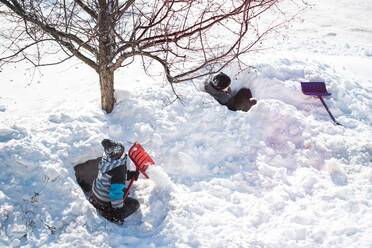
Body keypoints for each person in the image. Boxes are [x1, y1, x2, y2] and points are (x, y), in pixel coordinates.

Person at [89, 139, 140, 225]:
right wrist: (118, 208)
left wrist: (129, 175)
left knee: (121, 190)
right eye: (123, 153)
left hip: (97, 191)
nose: (125, 154)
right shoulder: (118, 170)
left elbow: (112, 177)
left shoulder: (107, 161)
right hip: (105, 198)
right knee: (134, 204)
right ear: (118, 156)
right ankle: (110, 213)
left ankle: (96, 201)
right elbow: (115, 192)